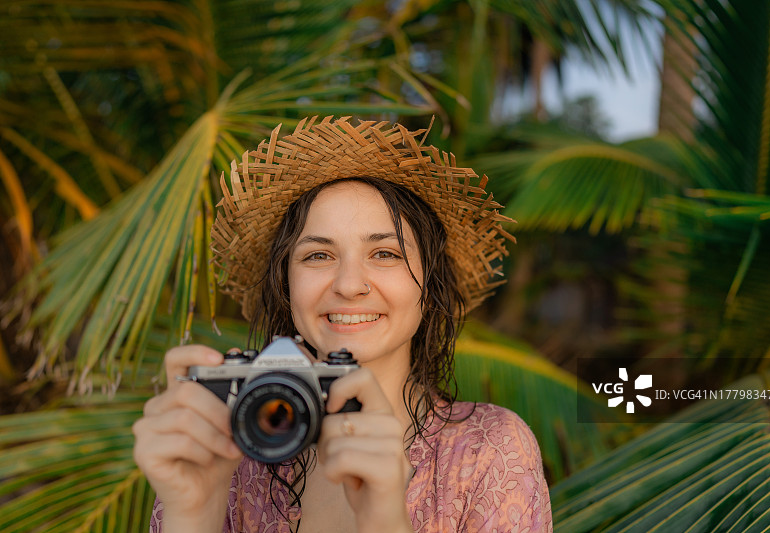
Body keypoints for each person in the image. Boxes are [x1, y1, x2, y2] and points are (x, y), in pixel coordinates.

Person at [133, 116, 553, 532]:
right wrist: (193, 514)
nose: (350, 285)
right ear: (286, 284)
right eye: (318, 255)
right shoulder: (224, 455)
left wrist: (383, 521)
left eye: (385, 253)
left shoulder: (490, 449)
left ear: (430, 282)